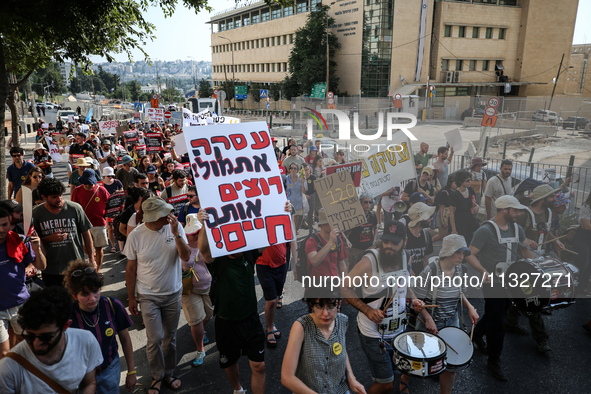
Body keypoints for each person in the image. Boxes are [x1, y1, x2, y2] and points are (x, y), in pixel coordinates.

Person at [196, 202, 292, 394]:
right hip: (226, 324)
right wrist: (205, 225)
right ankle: (238, 389)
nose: (236, 240)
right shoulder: (218, 260)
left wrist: (282, 212)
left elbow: (270, 235)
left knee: (260, 366)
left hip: (251, 321)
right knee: (230, 364)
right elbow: (204, 250)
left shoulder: (249, 254)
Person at [341, 220, 424, 394]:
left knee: (396, 370)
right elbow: (344, 287)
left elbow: (405, 283)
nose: (389, 246)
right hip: (373, 334)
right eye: (386, 241)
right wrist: (368, 310)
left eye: (394, 242)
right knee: (386, 384)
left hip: (398, 329)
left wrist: (414, 299)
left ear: (405, 241)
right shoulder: (369, 261)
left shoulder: (405, 256)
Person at [125, 197, 190, 394]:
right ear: (153, 218)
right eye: (165, 215)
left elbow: (186, 256)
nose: (170, 216)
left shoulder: (176, 227)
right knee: (154, 338)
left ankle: (169, 373)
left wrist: (177, 234)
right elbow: (130, 268)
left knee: (170, 337)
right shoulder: (136, 235)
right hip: (147, 296)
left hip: (173, 293)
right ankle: (157, 376)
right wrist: (131, 297)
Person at [466, 195, 535, 381]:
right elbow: (470, 254)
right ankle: (494, 360)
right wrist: (482, 271)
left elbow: (524, 251)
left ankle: (476, 334)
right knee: (498, 321)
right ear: (504, 210)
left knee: (497, 312)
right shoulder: (485, 230)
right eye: (515, 210)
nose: (518, 214)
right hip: (492, 283)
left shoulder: (517, 228)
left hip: (510, 281)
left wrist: (536, 261)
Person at [0, 286, 103, 393]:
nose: (36, 344)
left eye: (45, 337)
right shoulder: (8, 368)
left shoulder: (86, 341)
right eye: (29, 336)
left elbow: (89, 383)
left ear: (65, 326)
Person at [414, 234, 479, 394]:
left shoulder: (459, 269)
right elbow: (416, 299)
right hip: (430, 323)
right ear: (448, 251)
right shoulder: (430, 270)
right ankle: (404, 379)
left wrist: (470, 307)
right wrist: (428, 318)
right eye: (458, 253)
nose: (461, 257)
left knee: (450, 366)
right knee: (420, 359)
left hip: (451, 321)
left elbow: (460, 292)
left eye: (463, 253)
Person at [63, 260, 136, 393]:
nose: (92, 298)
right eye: (84, 294)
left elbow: (125, 339)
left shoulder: (113, 305)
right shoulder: (67, 315)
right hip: (81, 376)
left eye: (95, 291)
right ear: (74, 295)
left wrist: (131, 371)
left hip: (110, 370)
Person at [281, 289, 366, 394]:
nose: (325, 313)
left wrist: (351, 378)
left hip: (339, 390)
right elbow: (287, 377)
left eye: (330, 306)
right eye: (319, 306)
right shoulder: (301, 327)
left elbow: (341, 350)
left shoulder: (343, 321)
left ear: (339, 305)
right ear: (312, 305)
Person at [0, 207, 46, 359]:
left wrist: (37, 249)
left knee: (28, 345)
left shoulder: (19, 240)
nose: (1, 230)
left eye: (4, 225)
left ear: (10, 223)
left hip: (21, 303)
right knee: (4, 353)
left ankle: (27, 378)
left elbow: (41, 266)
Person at [33, 178, 95, 287]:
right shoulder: (37, 214)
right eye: (54, 197)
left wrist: (92, 259)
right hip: (51, 269)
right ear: (44, 197)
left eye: (60, 195)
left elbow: (86, 233)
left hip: (76, 267)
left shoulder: (75, 208)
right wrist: (49, 238)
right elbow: (33, 241)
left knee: (77, 300)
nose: (59, 199)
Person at [180, 215, 212, 367]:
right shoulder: (181, 245)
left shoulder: (208, 242)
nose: (194, 235)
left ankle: (200, 330)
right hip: (189, 290)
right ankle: (201, 349)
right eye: (191, 232)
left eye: (197, 231)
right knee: (196, 320)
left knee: (209, 314)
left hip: (207, 287)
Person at [71, 169, 111, 273]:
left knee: (99, 248)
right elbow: (74, 207)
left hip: (99, 223)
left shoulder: (102, 190)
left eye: (90, 183)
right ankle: (91, 262)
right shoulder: (77, 191)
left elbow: (110, 204)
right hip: (83, 225)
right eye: (86, 183)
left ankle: (97, 270)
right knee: (86, 249)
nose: (88, 185)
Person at [256, 242, 289, 348]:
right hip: (263, 265)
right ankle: (270, 327)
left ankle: (271, 323)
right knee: (271, 300)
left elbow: (291, 241)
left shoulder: (284, 224)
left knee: (277, 294)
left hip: (282, 263)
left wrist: (297, 263)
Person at [306, 209, 347, 280]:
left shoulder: (337, 240)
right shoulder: (312, 241)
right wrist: (330, 242)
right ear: (322, 225)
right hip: (316, 285)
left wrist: (346, 283)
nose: (334, 226)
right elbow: (314, 261)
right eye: (330, 223)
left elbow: (341, 263)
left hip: (333, 283)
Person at [346, 193, 378, 271]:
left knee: (366, 270)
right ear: (360, 203)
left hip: (368, 248)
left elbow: (376, 227)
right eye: (365, 202)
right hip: (355, 250)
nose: (368, 204)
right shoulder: (354, 216)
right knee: (353, 270)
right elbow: (345, 231)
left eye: (370, 202)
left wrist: (374, 240)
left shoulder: (372, 215)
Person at [403, 202, 435, 275]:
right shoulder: (404, 234)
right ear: (421, 219)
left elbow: (425, 259)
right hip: (404, 278)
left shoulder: (426, 235)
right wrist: (407, 268)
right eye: (429, 216)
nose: (432, 218)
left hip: (420, 278)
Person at [449, 170, 479, 246]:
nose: (470, 182)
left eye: (470, 180)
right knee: (460, 244)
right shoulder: (454, 194)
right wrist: (453, 229)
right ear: (460, 181)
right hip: (459, 221)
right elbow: (451, 213)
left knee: (469, 242)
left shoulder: (470, 189)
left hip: (469, 219)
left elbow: (474, 203)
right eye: (467, 180)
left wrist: (477, 207)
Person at [574, 192, 591, 295]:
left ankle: (583, 286)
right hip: (583, 237)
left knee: (589, 263)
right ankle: (576, 284)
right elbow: (587, 226)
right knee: (583, 260)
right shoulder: (586, 206)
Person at [434, 175, 457, 242]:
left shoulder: (455, 192)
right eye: (455, 183)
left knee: (448, 235)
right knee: (442, 235)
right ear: (450, 183)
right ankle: (428, 244)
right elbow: (441, 207)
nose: (456, 185)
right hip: (443, 215)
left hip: (450, 215)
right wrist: (441, 220)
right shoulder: (445, 192)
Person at [286, 163, 307, 235]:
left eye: (295, 168)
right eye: (291, 168)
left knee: (297, 218)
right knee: (292, 218)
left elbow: (304, 191)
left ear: (297, 170)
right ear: (289, 169)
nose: (293, 170)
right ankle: (293, 231)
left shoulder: (301, 178)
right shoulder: (286, 178)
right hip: (290, 202)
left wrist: (303, 182)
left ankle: (295, 229)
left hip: (299, 202)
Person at [302, 164, 317, 235]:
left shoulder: (313, 177)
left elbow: (315, 189)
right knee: (300, 214)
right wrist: (304, 195)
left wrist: (317, 183)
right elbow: (298, 189)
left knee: (310, 214)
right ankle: (297, 229)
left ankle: (310, 231)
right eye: (305, 170)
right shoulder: (300, 178)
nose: (307, 171)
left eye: (308, 169)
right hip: (303, 196)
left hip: (312, 196)